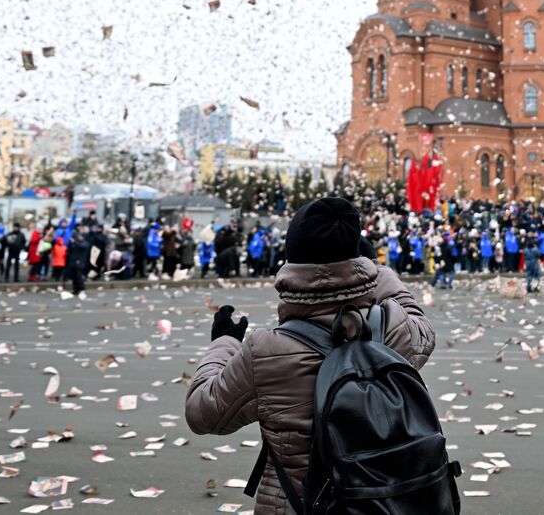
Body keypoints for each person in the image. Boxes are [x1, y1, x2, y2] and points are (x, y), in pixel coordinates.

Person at [185, 197, 436, 515]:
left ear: (292, 257)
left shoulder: (266, 351)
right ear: (357, 257)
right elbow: (419, 321)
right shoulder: (393, 326)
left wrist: (223, 342)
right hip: (382, 504)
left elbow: (202, 412)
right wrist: (374, 271)